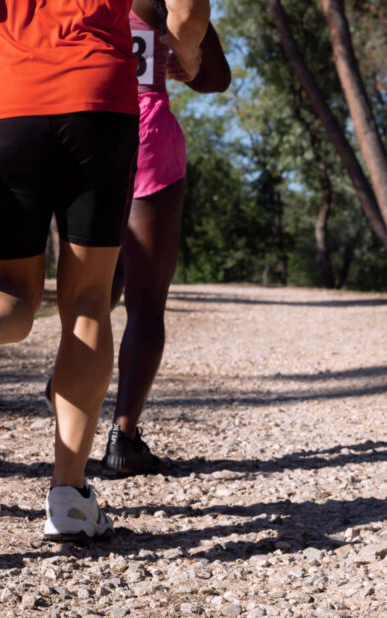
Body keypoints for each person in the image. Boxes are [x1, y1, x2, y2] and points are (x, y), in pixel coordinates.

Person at [0, 0, 210, 541]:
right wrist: (185, 54)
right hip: (98, 100)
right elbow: (188, 9)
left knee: (8, 289)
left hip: (5, 98)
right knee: (87, 301)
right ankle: (69, 497)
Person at [100, 0, 230, 475]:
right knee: (145, 302)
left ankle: (66, 401)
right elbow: (217, 77)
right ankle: (124, 437)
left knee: (91, 293)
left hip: (83, 134)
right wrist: (189, 63)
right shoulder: (157, 2)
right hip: (146, 138)